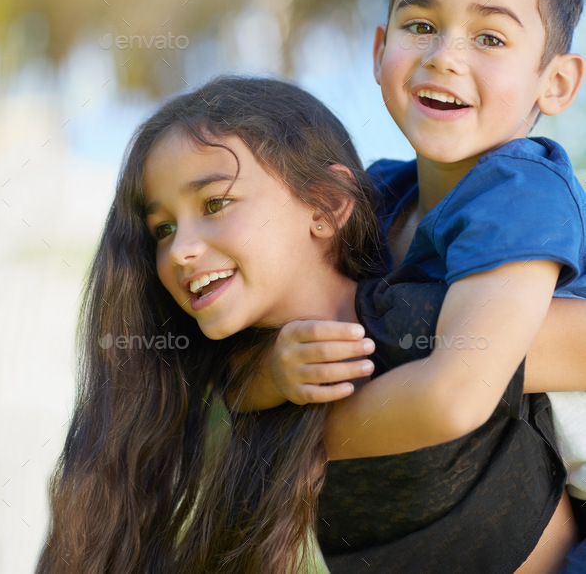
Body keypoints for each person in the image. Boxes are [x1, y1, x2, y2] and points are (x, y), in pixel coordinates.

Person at [36, 75, 586, 574]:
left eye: (216, 202)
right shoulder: (222, 388)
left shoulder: (421, 321)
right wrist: (266, 381)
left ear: (325, 204)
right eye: (162, 230)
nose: (180, 250)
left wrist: (301, 430)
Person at [241, 0, 586, 573]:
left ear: (557, 81)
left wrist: (293, 443)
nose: (444, 57)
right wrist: (270, 373)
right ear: (379, 51)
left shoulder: (520, 190)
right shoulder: (377, 197)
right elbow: (255, 339)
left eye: (489, 38)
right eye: (421, 24)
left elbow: (454, 393)